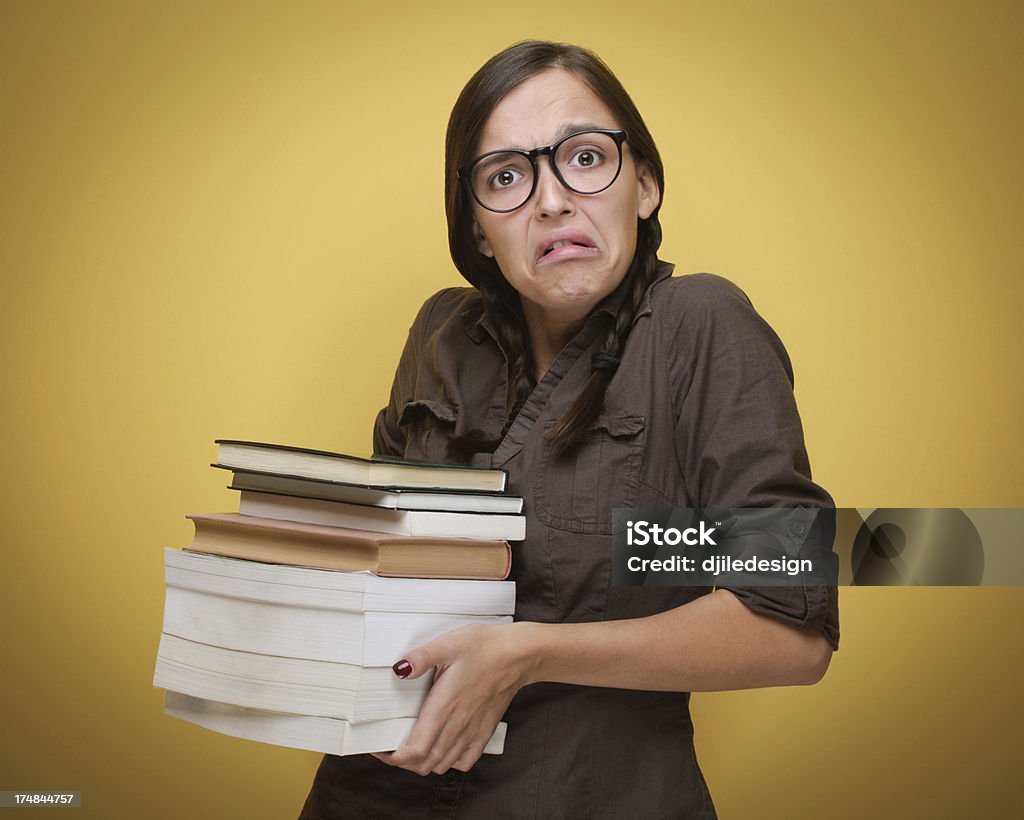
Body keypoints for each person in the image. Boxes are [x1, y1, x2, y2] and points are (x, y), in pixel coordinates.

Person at [300, 40, 839, 819]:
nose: (551, 201)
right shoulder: (440, 333)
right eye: (507, 177)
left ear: (644, 184)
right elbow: (379, 564)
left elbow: (792, 630)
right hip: (369, 793)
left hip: (584, 796)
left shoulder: (702, 325)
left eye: (585, 158)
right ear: (479, 227)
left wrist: (527, 654)